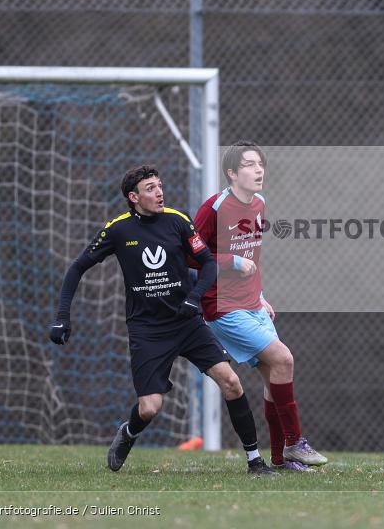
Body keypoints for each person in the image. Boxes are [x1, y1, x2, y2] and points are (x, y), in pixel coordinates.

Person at [48, 165, 275, 475]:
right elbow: (77, 268)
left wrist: (193, 298)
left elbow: (207, 263)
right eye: (151, 188)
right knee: (150, 408)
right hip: (148, 331)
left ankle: (254, 461)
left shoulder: (177, 221)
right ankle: (129, 433)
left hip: (187, 322)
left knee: (232, 383)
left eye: (160, 185)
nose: (159, 192)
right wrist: (63, 317)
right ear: (134, 196)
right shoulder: (118, 229)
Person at [192, 141, 327, 472]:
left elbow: (253, 256)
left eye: (260, 164)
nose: (259, 170)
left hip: (253, 303)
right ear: (232, 173)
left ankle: (281, 461)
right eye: (250, 165)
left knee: (273, 379)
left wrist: (261, 294)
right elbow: (190, 255)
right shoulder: (214, 208)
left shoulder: (259, 204)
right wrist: (232, 261)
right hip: (222, 307)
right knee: (284, 358)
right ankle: (295, 443)